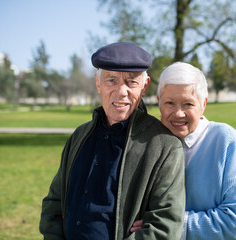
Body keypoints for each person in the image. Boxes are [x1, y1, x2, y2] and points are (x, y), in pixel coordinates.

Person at [39, 42, 185, 240]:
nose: (121, 91)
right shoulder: (79, 137)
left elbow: (165, 226)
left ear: (145, 86)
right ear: (98, 84)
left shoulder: (165, 147)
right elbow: (54, 204)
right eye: (111, 80)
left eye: (131, 82)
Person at [132, 62, 236, 239]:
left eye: (188, 104)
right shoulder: (150, 143)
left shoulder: (226, 140)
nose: (178, 113)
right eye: (170, 103)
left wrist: (170, 224)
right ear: (159, 103)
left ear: (203, 104)